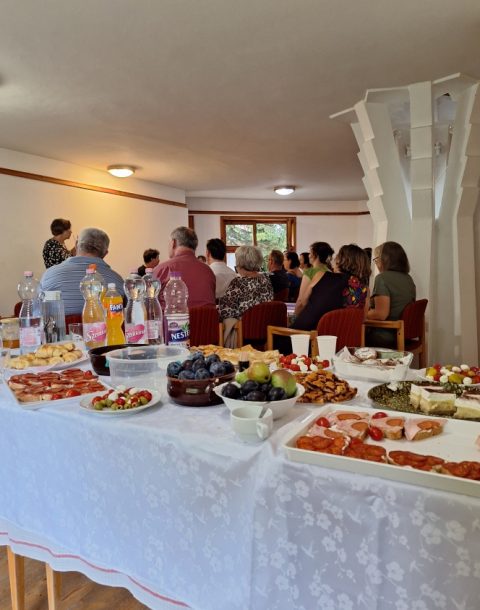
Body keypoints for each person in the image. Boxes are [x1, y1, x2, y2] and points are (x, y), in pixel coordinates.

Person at [40, 227, 124, 315]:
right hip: (102, 324)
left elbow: (37, 314)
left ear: (76, 245)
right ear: (105, 253)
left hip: (58, 324)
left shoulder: (49, 275)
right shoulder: (117, 282)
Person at [292, 243, 371, 331]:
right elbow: (361, 319)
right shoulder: (364, 289)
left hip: (306, 335)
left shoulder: (320, 275)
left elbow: (302, 303)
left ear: (339, 260)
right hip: (339, 337)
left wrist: (293, 319)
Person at [365, 241, 416, 347]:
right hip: (405, 335)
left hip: (386, 336)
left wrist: (363, 314)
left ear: (384, 259)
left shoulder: (382, 278)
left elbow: (381, 314)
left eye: (376, 259)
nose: (376, 263)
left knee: (351, 332)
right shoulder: (408, 279)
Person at [152, 226, 216, 309]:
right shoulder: (208, 271)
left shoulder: (161, 270)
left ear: (173, 243)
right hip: (205, 317)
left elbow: (149, 307)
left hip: (172, 317)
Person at [218, 245, 273, 322]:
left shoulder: (237, 283)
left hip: (244, 327)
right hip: (265, 325)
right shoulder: (266, 279)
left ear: (240, 264)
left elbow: (225, 312)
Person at [295, 242, 334, 315]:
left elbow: (301, 301)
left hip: (311, 313)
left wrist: (295, 316)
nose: (309, 256)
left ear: (315, 255)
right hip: (325, 314)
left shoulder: (309, 272)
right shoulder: (330, 272)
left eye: (310, 253)